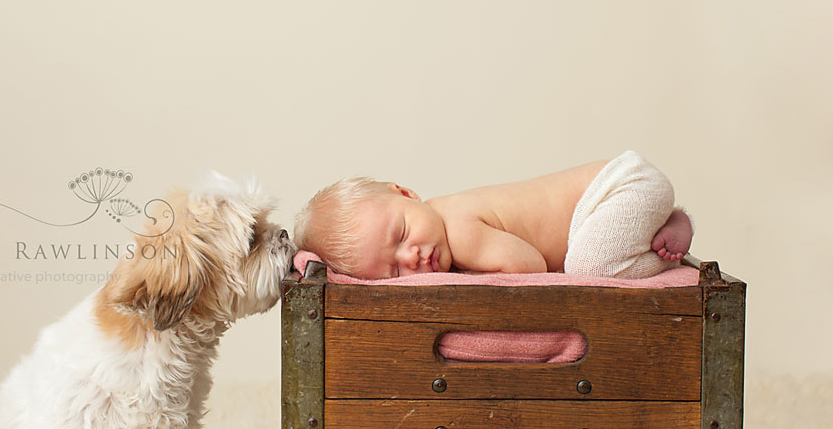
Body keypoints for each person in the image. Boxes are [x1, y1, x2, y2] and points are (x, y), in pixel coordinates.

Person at [293, 150, 693, 279]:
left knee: (588, 269)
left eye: (401, 233)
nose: (410, 256)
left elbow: (530, 267)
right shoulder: (442, 223)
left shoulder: (460, 230)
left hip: (620, 187)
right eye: (394, 272)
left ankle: (666, 240)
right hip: (618, 192)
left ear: (407, 193)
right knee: (590, 258)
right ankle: (655, 227)